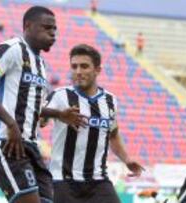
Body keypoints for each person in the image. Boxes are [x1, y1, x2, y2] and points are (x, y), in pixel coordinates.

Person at [0, 6, 56, 203]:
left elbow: (32, 107)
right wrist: (11, 124)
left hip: (31, 146)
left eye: (54, 29)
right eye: (47, 28)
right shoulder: (12, 48)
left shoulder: (41, 64)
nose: (52, 34)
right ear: (28, 26)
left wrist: (56, 114)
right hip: (7, 142)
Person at [41, 44, 144, 203]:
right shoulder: (60, 96)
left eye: (84, 66)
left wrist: (127, 159)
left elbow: (113, 135)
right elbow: (38, 118)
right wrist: (55, 115)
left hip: (98, 182)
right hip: (64, 181)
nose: (78, 72)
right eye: (74, 66)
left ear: (97, 70)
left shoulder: (110, 101)